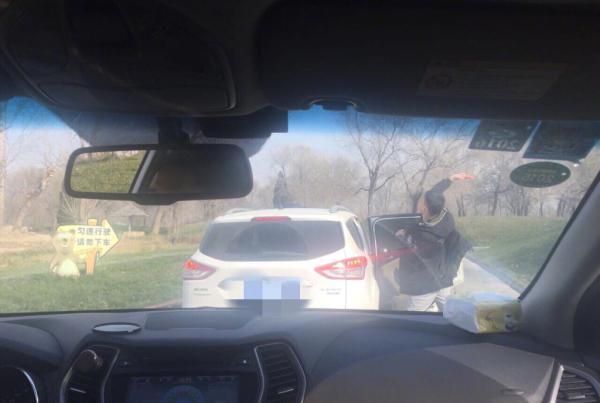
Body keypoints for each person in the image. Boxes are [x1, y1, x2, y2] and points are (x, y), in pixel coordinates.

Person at [393, 172, 474, 312]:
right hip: (445, 280)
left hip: (426, 286)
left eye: (422, 200)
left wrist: (402, 237)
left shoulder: (424, 236)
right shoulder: (445, 217)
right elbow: (435, 193)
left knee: (413, 318)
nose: (420, 201)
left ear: (424, 207)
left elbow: (411, 256)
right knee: (450, 314)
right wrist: (451, 178)